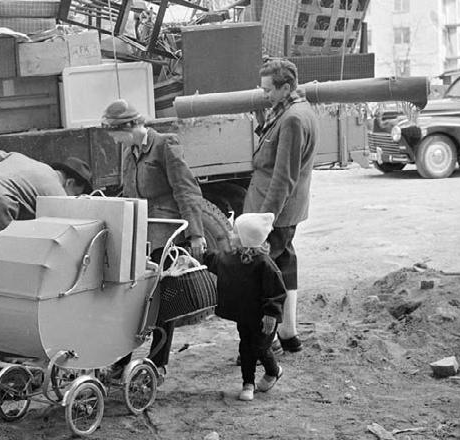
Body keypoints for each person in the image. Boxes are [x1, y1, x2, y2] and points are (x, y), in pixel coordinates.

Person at [102, 98, 206, 380]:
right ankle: (121, 359)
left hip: (165, 230)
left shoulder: (165, 145)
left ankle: (158, 362)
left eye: (114, 133)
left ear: (130, 126)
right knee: (130, 296)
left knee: (160, 300)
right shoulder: (129, 152)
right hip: (140, 231)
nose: (113, 139)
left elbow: (186, 189)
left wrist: (195, 232)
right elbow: (128, 194)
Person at [0, 149, 93, 342]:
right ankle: (11, 345)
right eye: (74, 195)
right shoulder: (55, 192)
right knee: (15, 282)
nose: (71, 200)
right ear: (70, 183)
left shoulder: (20, 158)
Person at [244, 59, 318, 353]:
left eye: (268, 90)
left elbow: (284, 175)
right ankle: (289, 333)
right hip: (285, 209)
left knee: (263, 275)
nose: (264, 95)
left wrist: (265, 219)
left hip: (275, 210)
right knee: (285, 266)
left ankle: (264, 341)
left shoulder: (292, 119)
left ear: (286, 87)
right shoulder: (295, 111)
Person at [204, 212, 287, 401]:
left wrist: (271, 313)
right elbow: (215, 260)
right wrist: (200, 255)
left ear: (245, 239)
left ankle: (274, 371)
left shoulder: (265, 264)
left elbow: (277, 291)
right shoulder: (231, 258)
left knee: (260, 347)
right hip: (245, 315)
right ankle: (247, 383)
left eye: (234, 232)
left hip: (265, 317)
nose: (230, 234)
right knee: (246, 348)